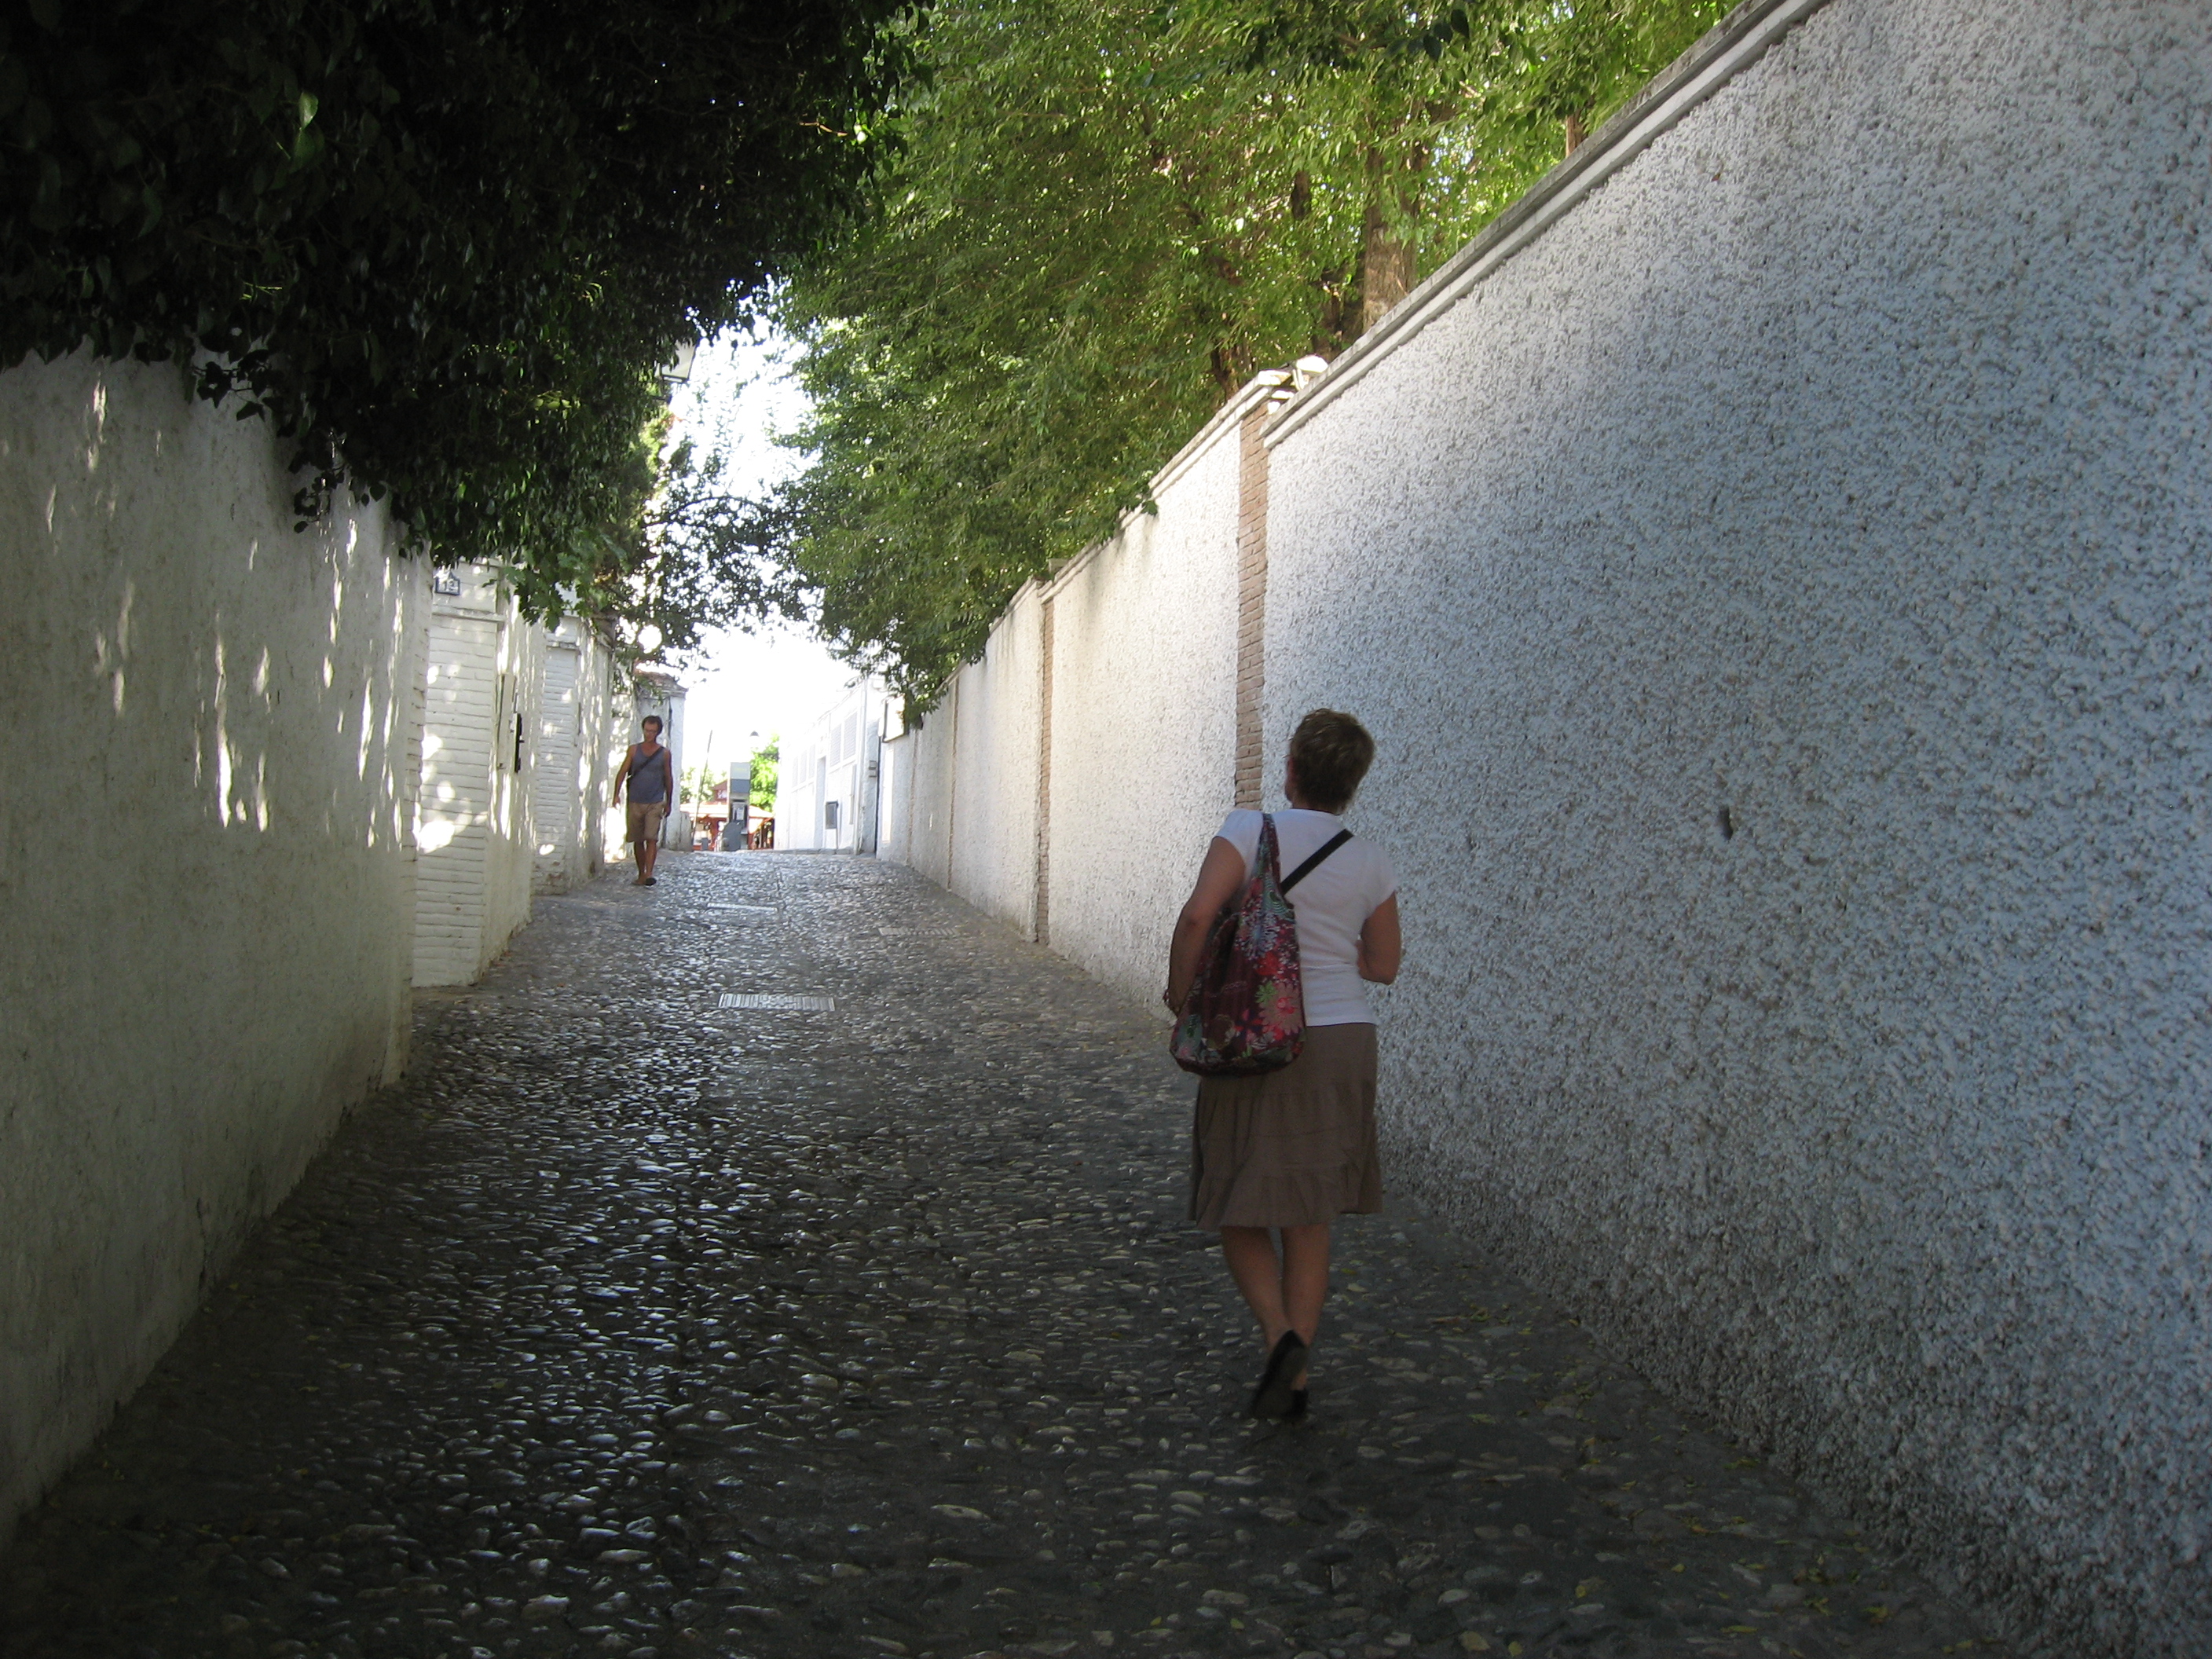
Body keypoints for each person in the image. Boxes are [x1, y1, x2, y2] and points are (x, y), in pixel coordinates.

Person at [1165, 709, 1401, 1420]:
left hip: (1255, 1036)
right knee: (1309, 1214)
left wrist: (1182, 996)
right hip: (1343, 1042)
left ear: (1292, 767)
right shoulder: (1370, 861)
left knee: (1235, 1197)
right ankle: (1295, 1375)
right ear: (1353, 784)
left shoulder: (1248, 831)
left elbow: (1198, 916)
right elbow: (1384, 966)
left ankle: (1279, 1336)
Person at [612, 716, 676, 886]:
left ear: (658, 732)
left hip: (655, 801)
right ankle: (641, 873)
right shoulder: (633, 750)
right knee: (638, 839)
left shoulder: (664, 754)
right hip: (635, 800)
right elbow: (623, 772)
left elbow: (668, 778)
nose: (649, 734)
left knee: (651, 838)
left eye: (653, 731)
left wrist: (669, 801)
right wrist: (616, 794)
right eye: (647, 731)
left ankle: (649, 873)